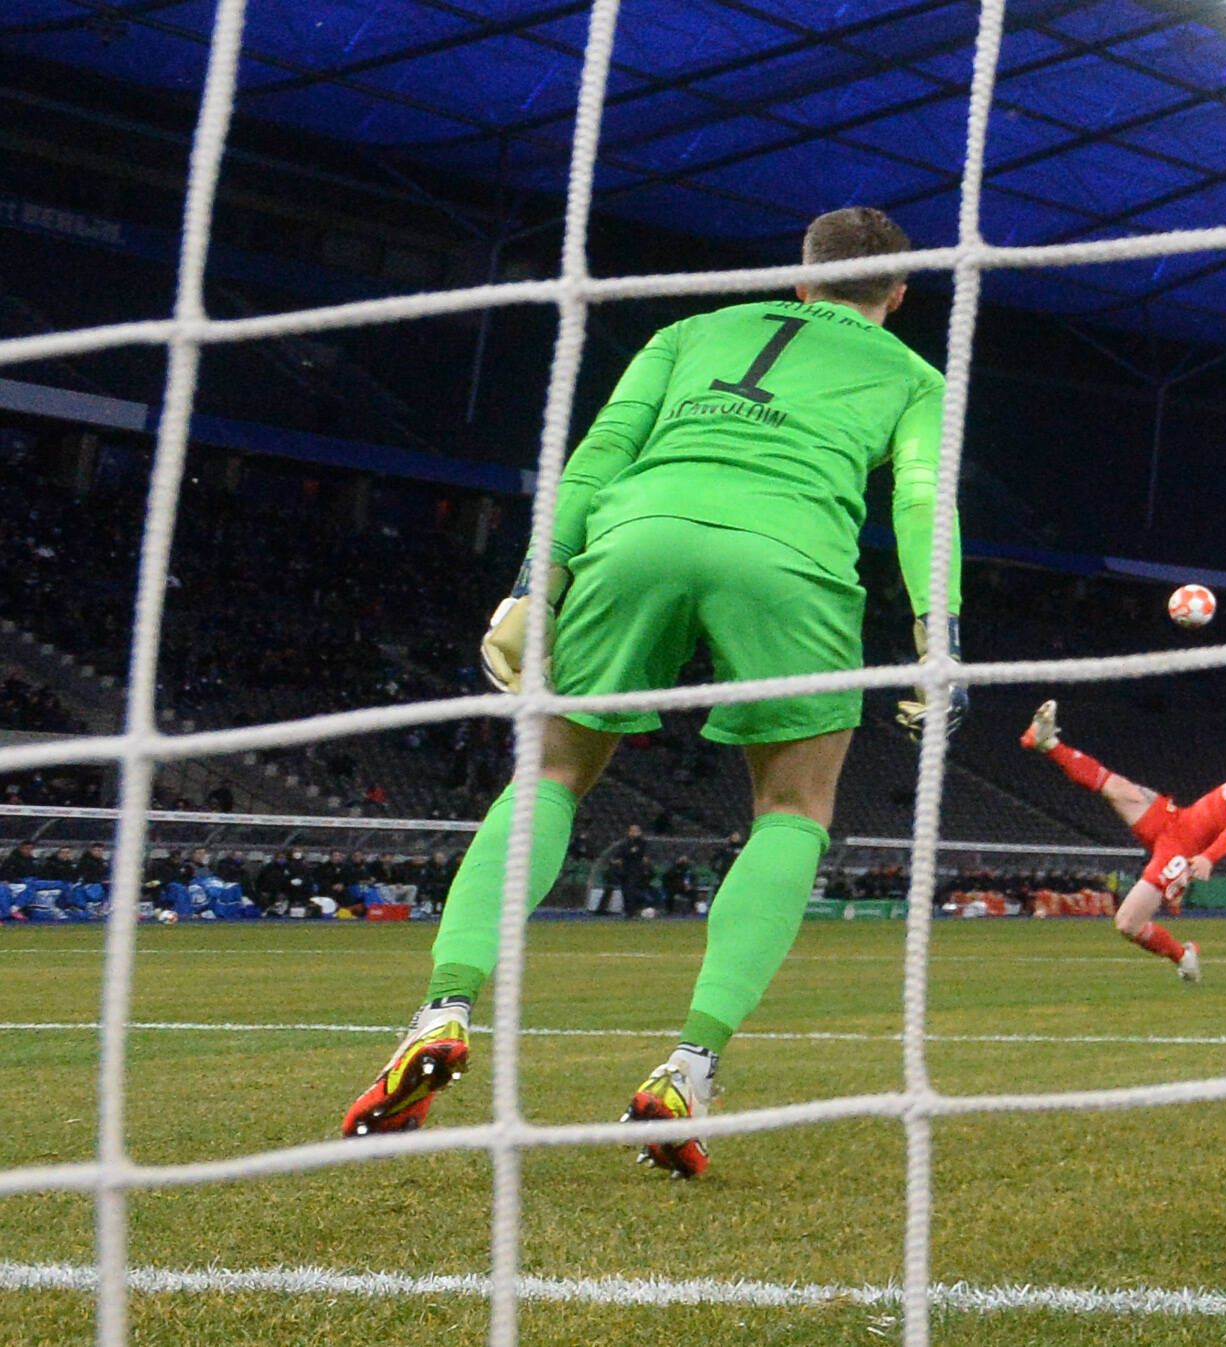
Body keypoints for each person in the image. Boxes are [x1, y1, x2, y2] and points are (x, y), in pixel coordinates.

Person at [342, 206, 963, 1180]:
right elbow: (922, 497)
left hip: (636, 535)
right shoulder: (916, 377)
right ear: (899, 292)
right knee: (793, 808)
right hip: (787, 559)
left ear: (799, 279)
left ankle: (446, 1010)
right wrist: (940, 630)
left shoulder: (689, 333)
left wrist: (530, 583)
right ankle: (689, 1069)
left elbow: (594, 460)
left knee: (548, 771)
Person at [1021, 700, 1226, 981]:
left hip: (1180, 851)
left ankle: (1182, 955)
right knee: (1119, 788)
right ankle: (1047, 742)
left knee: (1127, 923)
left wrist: (1210, 857)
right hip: (1174, 821)